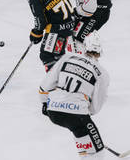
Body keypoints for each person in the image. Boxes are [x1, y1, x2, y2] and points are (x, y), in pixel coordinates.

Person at [39, 31, 109, 159]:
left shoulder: (67, 57)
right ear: (100, 51)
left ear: (84, 47)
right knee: (98, 153)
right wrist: (83, 113)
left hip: (54, 111)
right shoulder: (102, 74)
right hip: (77, 115)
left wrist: (45, 102)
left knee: (81, 135)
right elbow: (95, 107)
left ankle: (84, 151)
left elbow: (46, 84)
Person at [19, 0, 76, 72]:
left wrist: (36, 33)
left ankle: (55, 84)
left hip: (57, 28)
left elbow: (40, 20)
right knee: (58, 54)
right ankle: (65, 78)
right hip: (71, 21)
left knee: (47, 56)